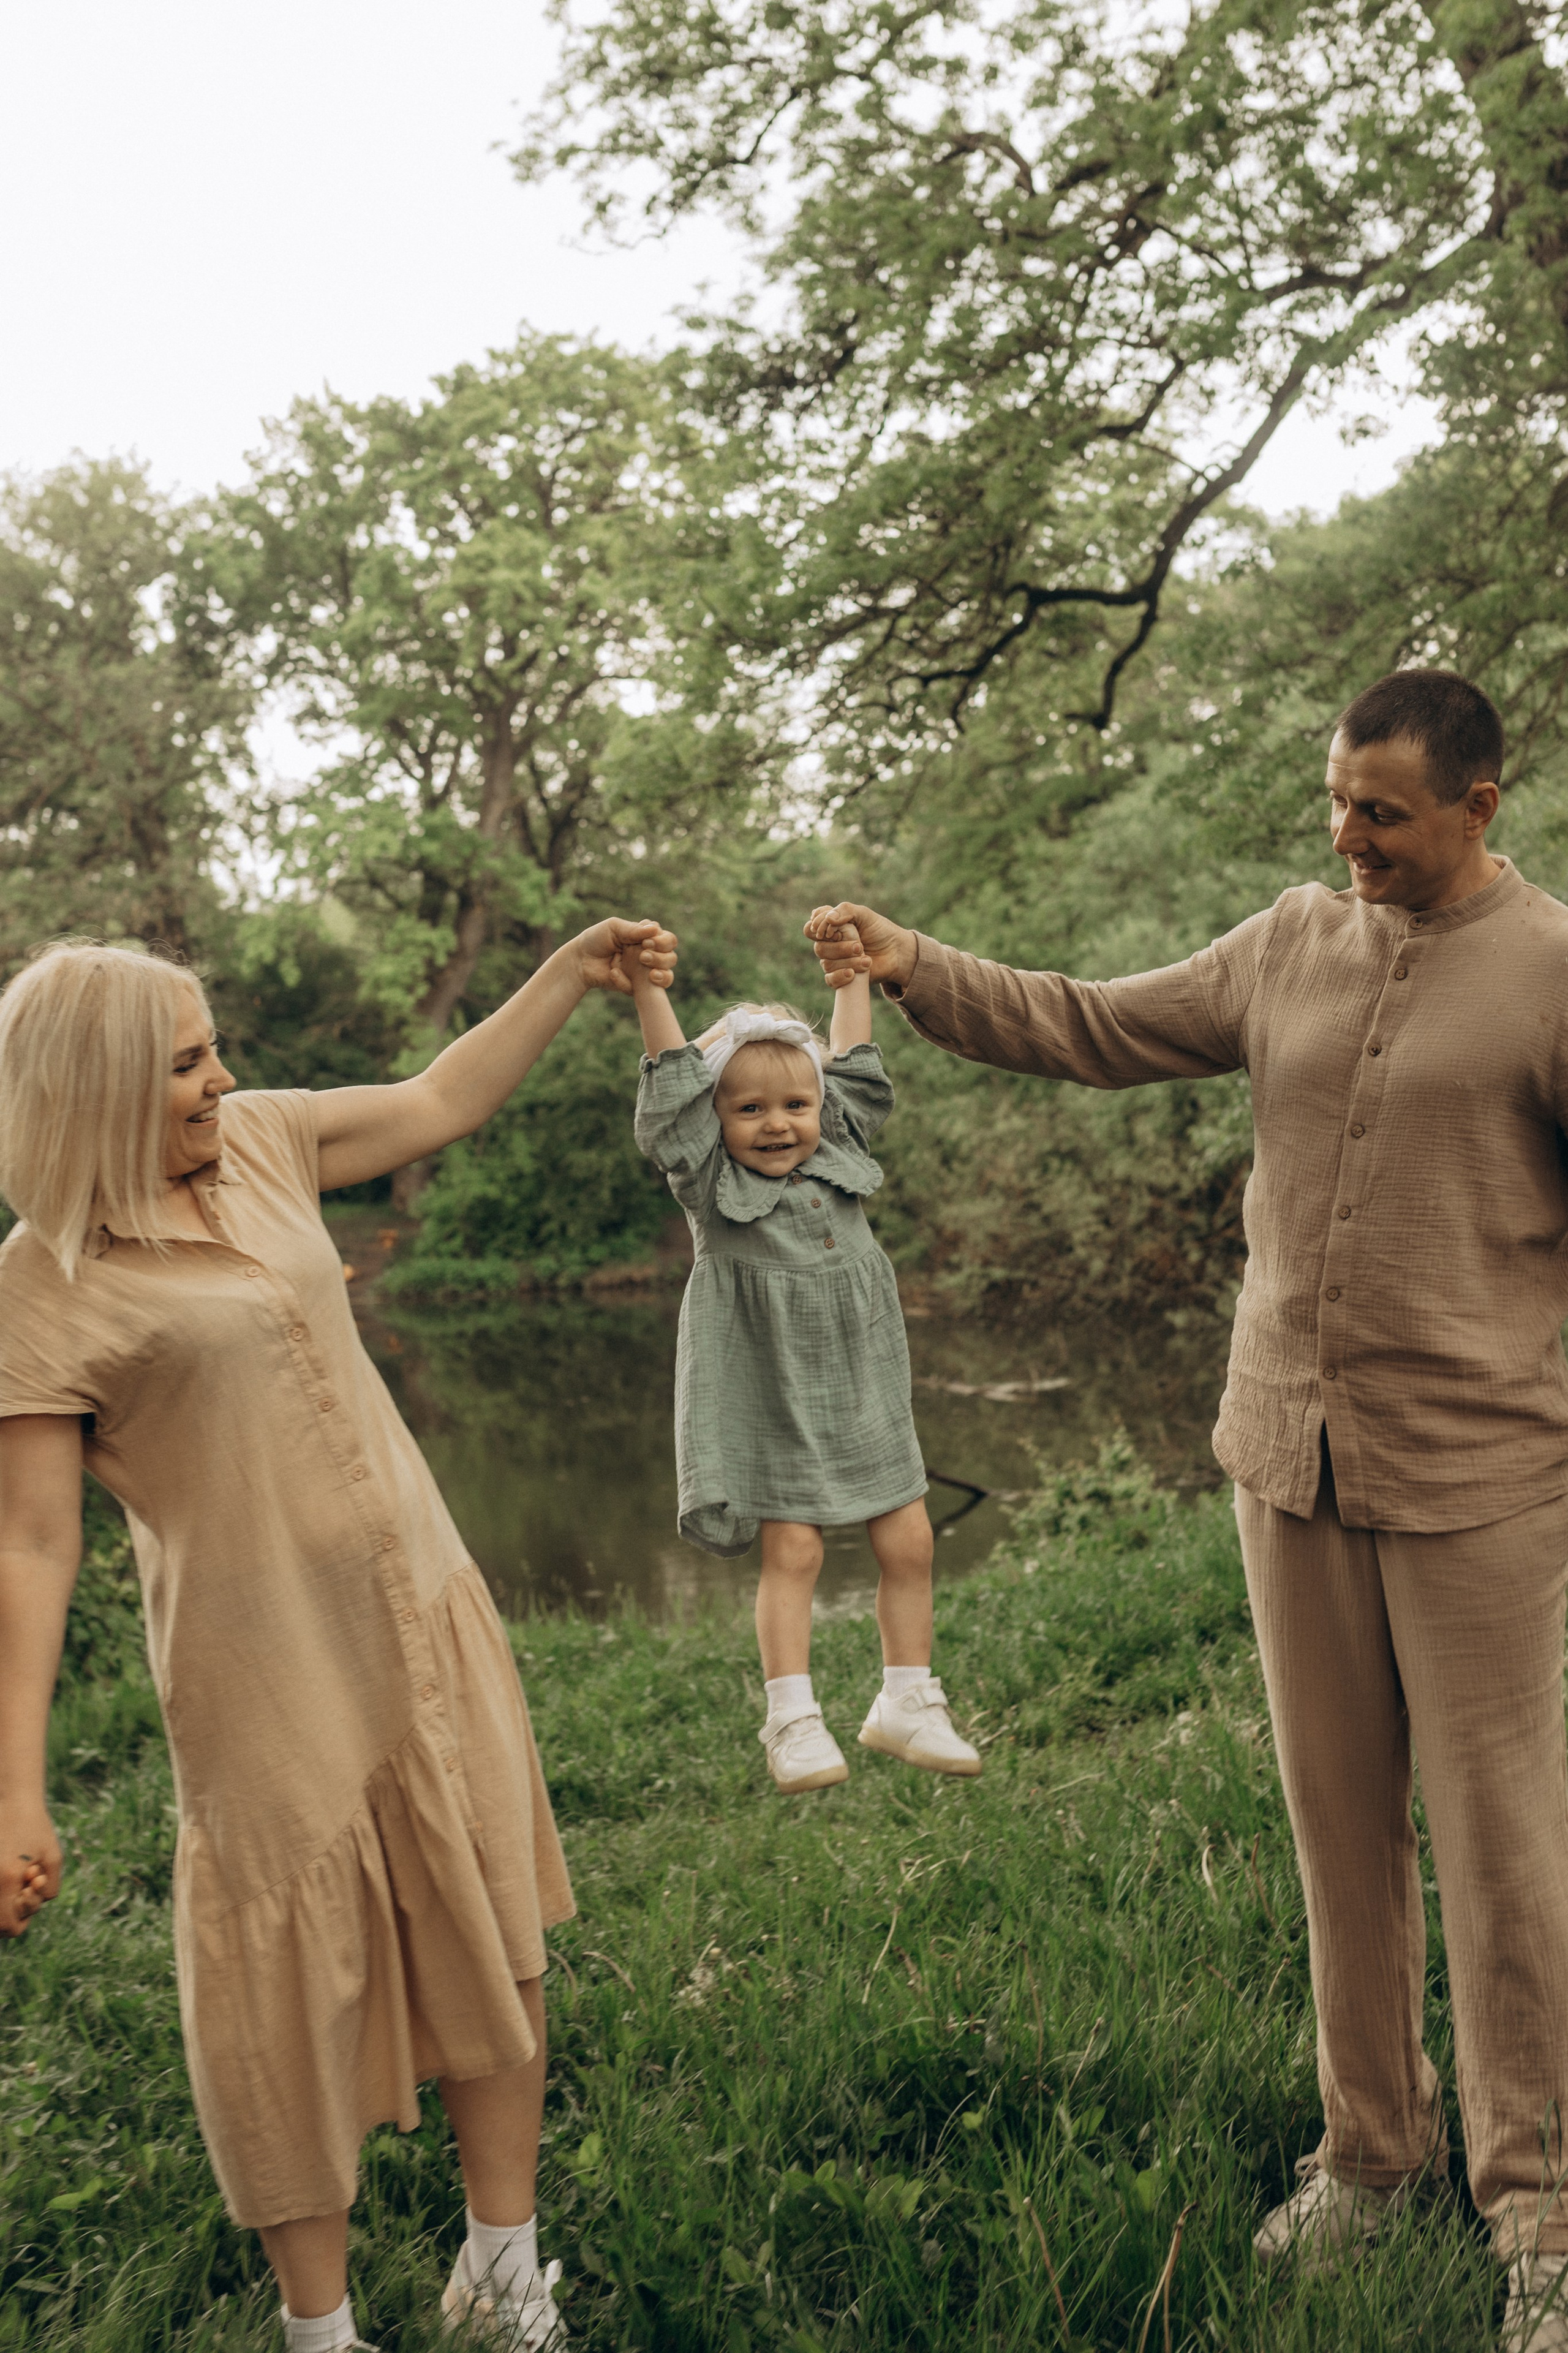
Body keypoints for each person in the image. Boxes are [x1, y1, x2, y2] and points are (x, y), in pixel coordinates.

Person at [809, 670, 1568, 2347]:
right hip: (1284, 1455)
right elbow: (1087, 1023)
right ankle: (1372, 2153)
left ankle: (1541, 2211)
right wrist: (911, 966)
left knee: (1506, 1849)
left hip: (1481, 1477)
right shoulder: (1288, 940)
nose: (1347, 835)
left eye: (1382, 809)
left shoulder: (1552, 974)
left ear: (1480, 804)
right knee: (1336, 1821)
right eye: (1336, 800)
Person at [0, 917, 677, 2353]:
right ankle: (322, 2332)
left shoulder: (260, 1142)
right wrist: (15, 1784)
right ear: (105, 1083)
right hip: (261, 1674)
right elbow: (31, 1543)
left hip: (419, 1607)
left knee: (493, 1928)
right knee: (279, 2001)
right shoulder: (37, 1287)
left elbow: (437, 1100)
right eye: (188, 1062)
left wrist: (566, 973)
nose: (220, 1078)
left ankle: (504, 2266)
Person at [625, 934, 981, 1794]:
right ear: (715, 1121)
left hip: (861, 1374)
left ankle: (908, 1697)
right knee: (796, 1549)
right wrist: (647, 988)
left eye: (794, 1104)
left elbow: (852, 1064)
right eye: (748, 1110)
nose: (777, 1122)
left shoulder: (840, 1146)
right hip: (770, 1382)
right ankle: (791, 1716)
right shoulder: (709, 1183)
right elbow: (673, 1083)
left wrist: (854, 976)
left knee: (910, 1535)